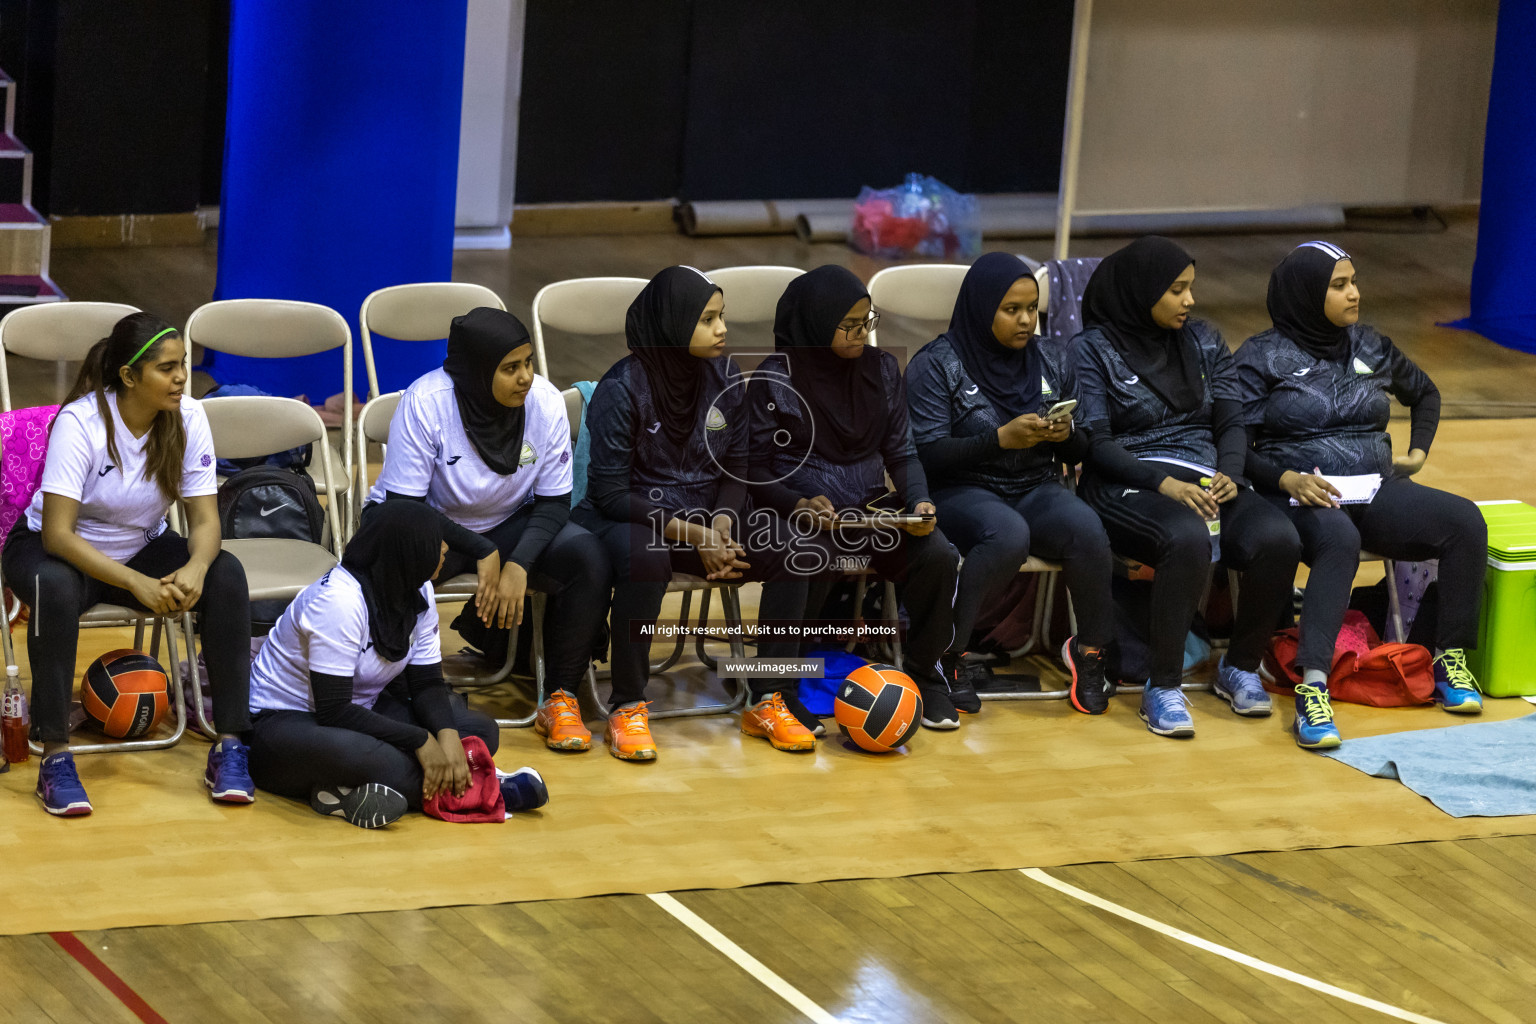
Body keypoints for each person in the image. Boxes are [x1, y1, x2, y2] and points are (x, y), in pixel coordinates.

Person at [573, 266, 834, 759]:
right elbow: (608, 492)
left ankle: (768, 697)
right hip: (632, 518)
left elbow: (737, 466)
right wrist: (694, 536)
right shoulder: (622, 387)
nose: (722, 330)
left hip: (705, 520)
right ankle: (627, 705)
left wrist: (719, 524)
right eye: (708, 319)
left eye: (722, 316)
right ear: (672, 325)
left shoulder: (725, 374)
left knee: (798, 548)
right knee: (646, 561)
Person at [1, 312, 255, 816]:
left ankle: (230, 743)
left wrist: (196, 568)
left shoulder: (189, 416)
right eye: (166, 368)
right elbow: (57, 533)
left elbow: (204, 521)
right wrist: (137, 582)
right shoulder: (82, 423)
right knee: (52, 586)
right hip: (57, 550)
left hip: (141, 545)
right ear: (129, 376)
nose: (181, 377)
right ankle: (54, 756)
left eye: (183, 364)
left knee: (227, 573)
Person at [1237, 240, 1487, 749]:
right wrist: (1285, 480)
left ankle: (1448, 657)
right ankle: (1313, 689)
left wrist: (1416, 453)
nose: (1355, 293)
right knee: (1337, 541)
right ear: (1307, 294)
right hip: (1300, 495)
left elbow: (1426, 394)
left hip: (1374, 489)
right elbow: (1232, 443)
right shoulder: (1259, 356)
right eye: (1339, 285)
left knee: (1464, 522)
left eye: (1354, 281)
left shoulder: (1370, 345)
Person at [1073, 236, 1302, 739]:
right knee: (1185, 535)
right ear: (1142, 291)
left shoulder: (1204, 341)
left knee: (1278, 537)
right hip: (1126, 480)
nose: (1190, 301)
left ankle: (1238, 666)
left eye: (1191, 289)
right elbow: (1096, 445)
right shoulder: (1091, 349)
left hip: (1204, 478)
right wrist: (1166, 484)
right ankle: (1163, 685)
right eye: (1177, 290)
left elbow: (1231, 420)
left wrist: (1233, 471)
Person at [364, 306, 609, 754]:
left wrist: (518, 563)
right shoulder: (427, 402)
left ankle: (560, 697)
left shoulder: (546, 402)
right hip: (423, 522)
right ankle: (386, 691)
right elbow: (405, 508)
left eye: (529, 363)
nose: (526, 378)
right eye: (510, 368)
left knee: (586, 555)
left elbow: (555, 503)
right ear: (476, 371)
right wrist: (482, 550)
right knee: (396, 562)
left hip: (510, 521)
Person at [745, 265, 962, 728]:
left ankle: (924, 674)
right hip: (802, 514)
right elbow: (755, 469)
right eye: (850, 325)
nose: (863, 333)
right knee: (805, 553)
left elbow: (902, 452)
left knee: (937, 553)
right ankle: (776, 690)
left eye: (868, 321)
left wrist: (918, 502)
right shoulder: (773, 379)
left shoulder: (882, 370)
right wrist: (799, 504)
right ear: (816, 326)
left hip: (868, 514)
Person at [245, 501, 542, 827]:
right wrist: (420, 740)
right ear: (406, 551)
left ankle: (340, 792)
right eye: (435, 539)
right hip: (284, 722)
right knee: (392, 763)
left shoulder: (419, 591)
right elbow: (334, 710)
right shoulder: (339, 603)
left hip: (361, 710)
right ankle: (490, 790)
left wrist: (445, 736)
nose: (445, 548)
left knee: (479, 730)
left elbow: (427, 684)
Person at [907, 252, 1115, 716]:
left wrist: (1068, 436)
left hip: (1035, 484)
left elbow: (1085, 448)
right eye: (1011, 310)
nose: (1026, 321)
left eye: (1032, 310)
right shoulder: (936, 364)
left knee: (1086, 528)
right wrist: (998, 440)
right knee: (1007, 535)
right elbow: (925, 454)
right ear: (983, 309)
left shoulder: (1052, 359)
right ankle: (949, 656)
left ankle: (1091, 653)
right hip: (961, 488)